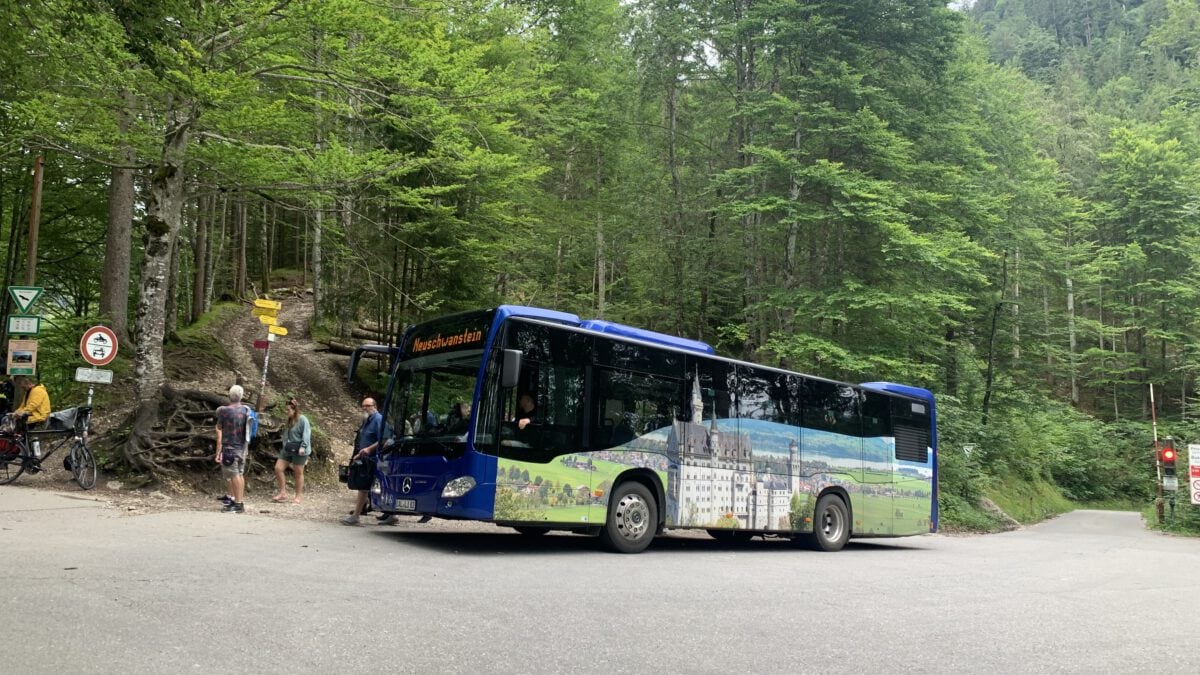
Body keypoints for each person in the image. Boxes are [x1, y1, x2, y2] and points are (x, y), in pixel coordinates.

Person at [343, 397, 384, 525]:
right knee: (368, 486)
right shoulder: (368, 420)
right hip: (366, 458)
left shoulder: (378, 419)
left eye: (367, 405)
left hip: (374, 459)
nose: (365, 408)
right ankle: (390, 515)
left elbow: (384, 440)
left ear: (375, 406)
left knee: (364, 487)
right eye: (363, 406)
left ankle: (356, 517)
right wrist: (359, 454)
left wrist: (368, 449)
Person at [214, 384, 252, 514]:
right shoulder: (246, 410)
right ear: (241, 396)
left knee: (234, 475)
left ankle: (237, 504)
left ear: (229, 396)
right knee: (240, 474)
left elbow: (219, 426)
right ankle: (239, 502)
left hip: (230, 448)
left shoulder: (224, 411)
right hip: (242, 448)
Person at [271, 397, 312, 505]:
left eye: (288, 410)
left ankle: (297, 497)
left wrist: (303, 447)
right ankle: (282, 493)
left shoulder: (303, 419)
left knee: (298, 472)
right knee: (278, 468)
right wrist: (285, 446)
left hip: (300, 450)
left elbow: (306, 435)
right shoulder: (289, 420)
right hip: (289, 448)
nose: (286, 412)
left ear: (294, 410)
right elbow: (286, 435)